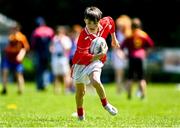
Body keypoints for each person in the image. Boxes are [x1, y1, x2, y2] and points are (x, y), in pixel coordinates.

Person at [71, 6, 120, 120]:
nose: (91, 27)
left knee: (95, 80)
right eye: (88, 24)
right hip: (81, 63)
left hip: (96, 61)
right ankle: (80, 114)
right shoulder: (83, 36)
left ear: (99, 21)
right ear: (85, 21)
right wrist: (101, 54)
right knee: (80, 92)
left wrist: (114, 38)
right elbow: (84, 56)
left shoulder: (104, 23)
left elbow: (111, 21)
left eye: (94, 25)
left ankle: (106, 104)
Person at [121, 17, 154, 99]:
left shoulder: (129, 35)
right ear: (140, 25)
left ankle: (129, 95)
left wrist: (125, 55)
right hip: (141, 58)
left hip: (131, 58)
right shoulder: (144, 35)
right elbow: (151, 45)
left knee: (129, 78)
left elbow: (122, 47)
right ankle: (143, 95)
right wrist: (146, 54)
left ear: (131, 26)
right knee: (141, 78)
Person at [1, 23, 30, 95]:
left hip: (17, 59)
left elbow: (25, 48)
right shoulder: (9, 36)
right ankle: (4, 88)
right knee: (5, 72)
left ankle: (20, 90)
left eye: (14, 28)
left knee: (19, 74)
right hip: (8, 58)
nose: (12, 30)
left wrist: (21, 55)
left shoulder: (21, 37)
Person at [31, 17, 54, 91]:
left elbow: (33, 44)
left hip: (39, 53)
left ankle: (39, 85)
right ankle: (45, 83)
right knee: (46, 69)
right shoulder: (50, 30)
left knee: (39, 69)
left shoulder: (36, 31)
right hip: (48, 54)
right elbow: (53, 42)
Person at [111, 15, 132, 94]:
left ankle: (126, 88)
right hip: (118, 55)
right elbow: (114, 45)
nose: (119, 27)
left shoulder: (129, 34)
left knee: (129, 73)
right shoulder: (117, 34)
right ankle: (118, 90)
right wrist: (118, 53)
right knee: (119, 73)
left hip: (127, 55)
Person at [49, 25, 72, 94]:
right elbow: (51, 47)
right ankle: (56, 90)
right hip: (55, 57)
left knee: (65, 74)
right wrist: (52, 49)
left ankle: (66, 90)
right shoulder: (54, 38)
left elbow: (67, 49)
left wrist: (61, 41)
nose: (59, 33)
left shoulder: (66, 39)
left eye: (60, 32)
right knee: (56, 74)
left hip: (63, 58)